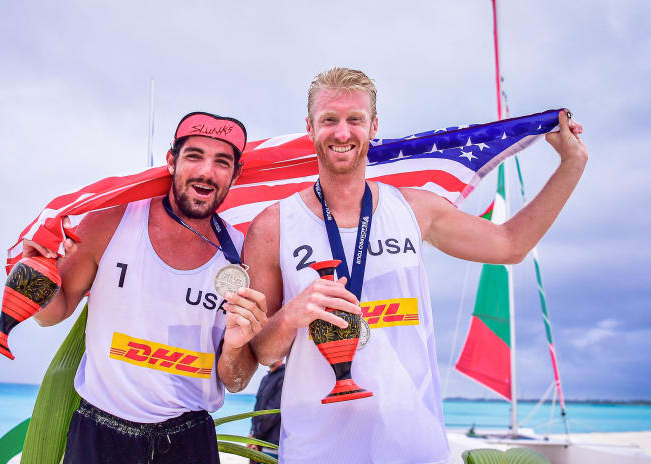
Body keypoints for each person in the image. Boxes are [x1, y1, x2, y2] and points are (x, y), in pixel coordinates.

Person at [245, 68, 587, 463]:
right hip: (316, 450)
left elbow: (511, 245)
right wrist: (291, 315)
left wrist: (572, 164)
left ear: (374, 126)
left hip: (413, 447)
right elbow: (263, 353)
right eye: (329, 120)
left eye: (355, 119)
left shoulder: (413, 209)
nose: (342, 132)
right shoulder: (274, 227)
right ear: (310, 127)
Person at [25, 111, 268, 464]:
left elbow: (236, 381)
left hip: (189, 439)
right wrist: (34, 272)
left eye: (222, 162)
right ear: (171, 160)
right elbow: (50, 315)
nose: (207, 171)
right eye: (194, 156)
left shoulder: (240, 255)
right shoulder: (112, 222)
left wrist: (235, 345)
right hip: (100, 433)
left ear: (236, 174)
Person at [248, 359, 285, 463]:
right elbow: (257, 411)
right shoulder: (265, 378)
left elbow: (273, 412)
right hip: (257, 442)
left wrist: (256, 437)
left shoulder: (285, 377)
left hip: (272, 444)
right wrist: (251, 434)